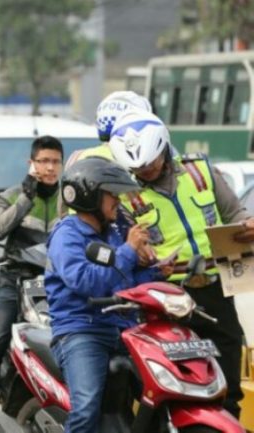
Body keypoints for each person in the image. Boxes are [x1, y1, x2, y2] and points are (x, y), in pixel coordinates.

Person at [109, 110, 254, 418]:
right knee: (176, 382)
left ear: (163, 148)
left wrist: (247, 225)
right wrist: (138, 251)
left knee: (228, 377)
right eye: (137, 167)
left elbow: (236, 214)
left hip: (216, 291)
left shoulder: (201, 171)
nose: (145, 171)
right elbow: (126, 246)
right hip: (168, 298)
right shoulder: (126, 198)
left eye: (149, 163)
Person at [46, 157, 169, 433]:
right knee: (87, 407)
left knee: (159, 395)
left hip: (123, 328)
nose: (117, 201)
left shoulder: (112, 233)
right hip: (82, 330)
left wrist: (157, 272)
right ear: (90, 196)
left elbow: (126, 280)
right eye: (111, 194)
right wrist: (128, 251)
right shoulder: (67, 236)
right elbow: (85, 281)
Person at [0, 135, 64, 430]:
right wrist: (27, 196)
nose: (50, 168)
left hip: (56, 282)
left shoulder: (70, 198)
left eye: (55, 162)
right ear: (32, 164)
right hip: (14, 279)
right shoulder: (12, 194)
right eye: (44, 161)